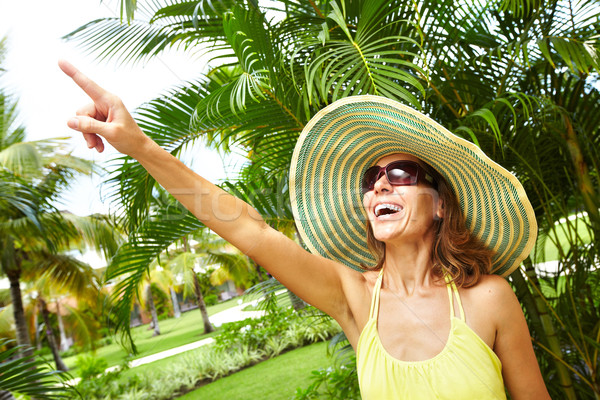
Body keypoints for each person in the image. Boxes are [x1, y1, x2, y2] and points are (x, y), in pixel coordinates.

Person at [59, 60, 551, 399]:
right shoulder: (353, 295)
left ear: (441, 204)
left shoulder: (488, 298)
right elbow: (248, 230)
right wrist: (141, 145)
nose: (380, 186)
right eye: (371, 179)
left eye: (400, 175)